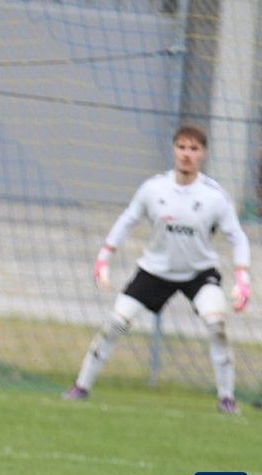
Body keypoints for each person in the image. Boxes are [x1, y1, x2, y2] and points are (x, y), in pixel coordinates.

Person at [65, 125, 251, 414]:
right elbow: (127, 219)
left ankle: (226, 399)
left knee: (216, 326)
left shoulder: (215, 196)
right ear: (174, 150)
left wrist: (243, 278)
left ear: (203, 154)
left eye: (194, 149)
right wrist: (104, 258)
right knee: (115, 324)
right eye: (182, 147)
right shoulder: (154, 189)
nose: (187, 154)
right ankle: (81, 387)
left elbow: (237, 237)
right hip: (154, 271)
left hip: (199, 274)